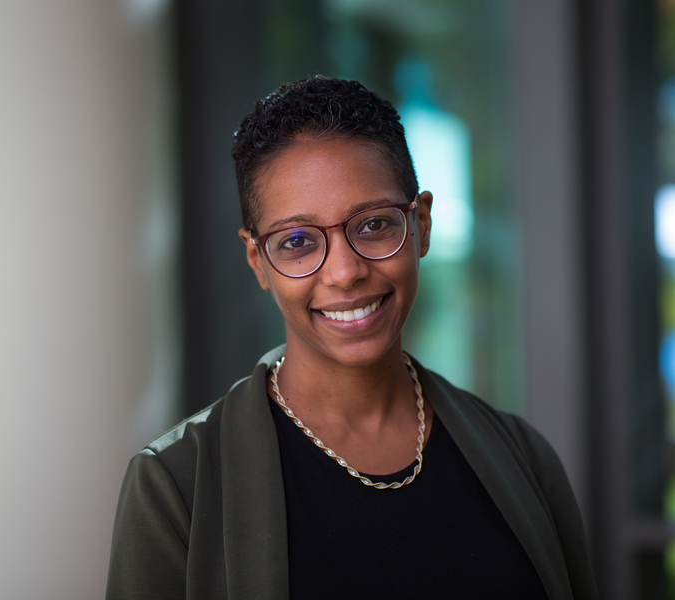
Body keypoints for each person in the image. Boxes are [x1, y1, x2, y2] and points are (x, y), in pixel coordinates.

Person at [106, 76, 597, 599]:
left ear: (421, 226)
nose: (344, 272)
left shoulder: (523, 458)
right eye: (297, 241)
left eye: (373, 225)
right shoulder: (177, 485)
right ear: (259, 262)